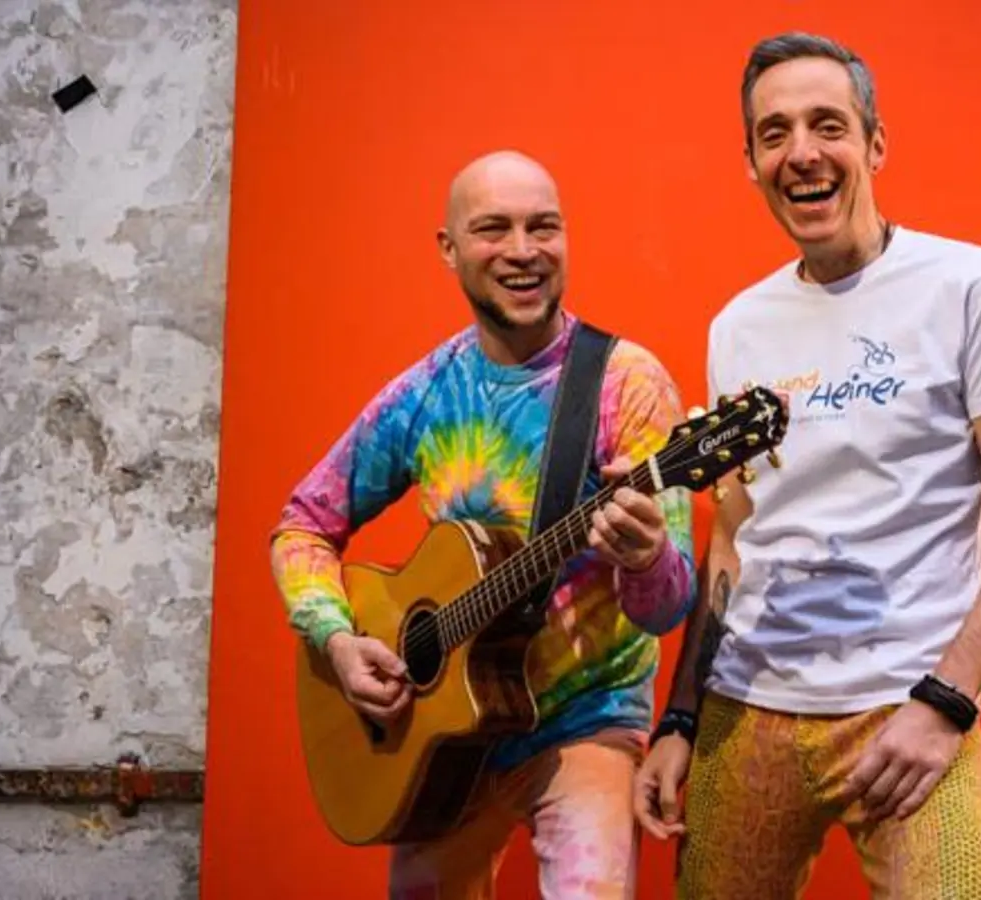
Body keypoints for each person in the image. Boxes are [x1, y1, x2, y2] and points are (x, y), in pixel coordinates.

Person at [633, 32, 981, 899]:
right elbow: (733, 536)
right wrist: (680, 716)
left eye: (827, 125)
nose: (802, 152)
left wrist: (947, 703)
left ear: (874, 143)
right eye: (774, 133)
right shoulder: (738, 327)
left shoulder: (971, 287)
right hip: (746, 709)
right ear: (753, 163)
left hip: (909, 707)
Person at [270, 149, 697, 899]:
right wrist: (336, 641)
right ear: (450, 249)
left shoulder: (627, 384)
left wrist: (647, 554)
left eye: (544, 227)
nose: (523, 251)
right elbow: (302, 525)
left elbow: (664, 608)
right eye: (494, 229)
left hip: (585, 720)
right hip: (444, 746)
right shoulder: (425, 393)